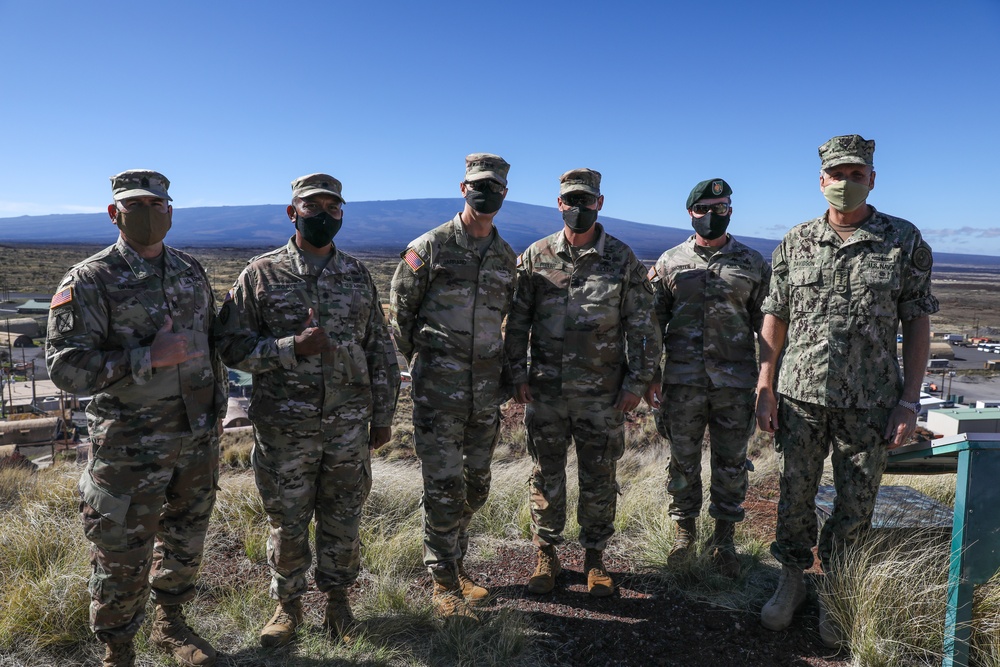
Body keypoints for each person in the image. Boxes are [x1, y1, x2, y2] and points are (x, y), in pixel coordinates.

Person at [755, 135, 937, 646]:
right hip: (800, 398)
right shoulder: (795, 241)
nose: (845, 183)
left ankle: (838, 589)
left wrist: (909, 400)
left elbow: (917, 322)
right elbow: (776, 314)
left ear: (872, 179)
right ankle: (792, 580)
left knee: (856, 507)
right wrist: (764, 386)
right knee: (794, 496)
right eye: (836, 174)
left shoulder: (903, 240)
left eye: (856, 174)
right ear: (821, 181)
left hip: (871, 402)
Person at [46, 170, 225, 667]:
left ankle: (171, 625)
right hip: (128, 446)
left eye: (156, 203)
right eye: (135, 205)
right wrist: (148, 356)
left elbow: (214, 344)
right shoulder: (89, 279)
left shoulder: (191, 271)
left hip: (195, 438)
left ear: (171, 211)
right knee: (120, 552)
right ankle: (118, 649)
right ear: (114, 213)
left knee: (186, 537)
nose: (147, 213)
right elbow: (65, 367)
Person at [216, 173, 400, 646]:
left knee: (343, 517)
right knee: (289, 521)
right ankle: (288, 606)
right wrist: (289, 347)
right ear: (291, 211)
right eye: (311, 206)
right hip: (285, 429)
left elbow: (379, 348)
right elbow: (231, 346)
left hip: (346, 427)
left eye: (332, 208)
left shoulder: (357, 274)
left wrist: (383, 417)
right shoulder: (261, 274)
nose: (322, 215)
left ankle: (339, 604)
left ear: (342, 213)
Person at [505, 168, 659, 597]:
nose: (578, 208)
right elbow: (517, 323)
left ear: (600, 203)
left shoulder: (622, 258)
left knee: (599, 476)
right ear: (559, 204)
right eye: (570, 200)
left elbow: (643, 325)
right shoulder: (536, 256)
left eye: (585, 200)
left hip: (602, 394)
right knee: (545, 475)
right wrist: (517, 372)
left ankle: (595, 558)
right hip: (547, 392)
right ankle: (546, 555)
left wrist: (637, 382)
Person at [389, 153, 516, 620]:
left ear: (505, 193)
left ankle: (456, 563)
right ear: (463, 189)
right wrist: (426, 362)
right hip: (439, 393)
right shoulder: (431, 246)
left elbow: (509, 319)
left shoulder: (506, 257)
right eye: (479, 185)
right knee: (442, 486)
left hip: (486, 393)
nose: (487, 194)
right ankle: (443, 581)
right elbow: (401, 313)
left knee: (476, 487)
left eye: (496, 187)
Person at [646, 178, 771, 578]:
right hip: (681, 384)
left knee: (731, 464)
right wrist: (650, 375)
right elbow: (651, 324)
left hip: (735, 386)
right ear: (691, 212)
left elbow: (767, 327)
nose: (711, 215)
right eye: (704, 208)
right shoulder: (669, 262)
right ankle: (684, 537)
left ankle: (724, 542)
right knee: (682, 462)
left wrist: (768, 383)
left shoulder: (752, 264)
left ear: (730, 210)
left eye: (721, 208)